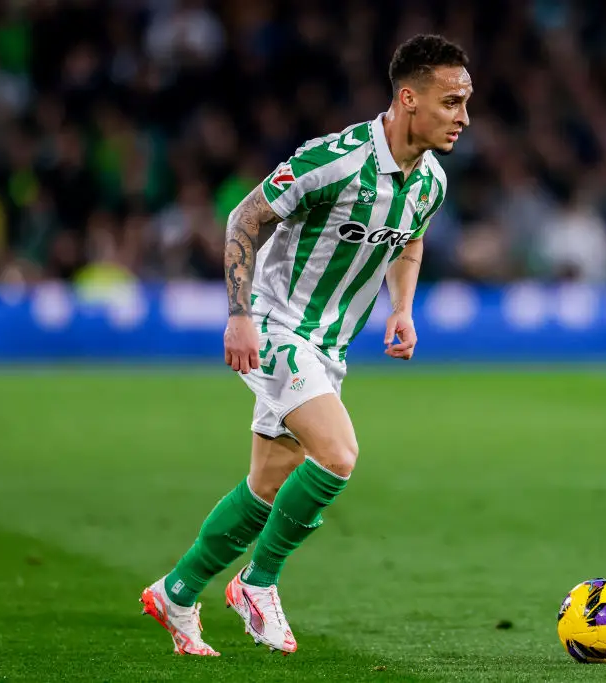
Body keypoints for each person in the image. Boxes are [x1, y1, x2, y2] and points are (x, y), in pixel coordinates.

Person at [139, 34, 472, 656]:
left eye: (464, 102)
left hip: (329, 348)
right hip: (274, 325)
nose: (463, 116)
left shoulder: (430, 182)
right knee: (338, 453)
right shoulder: (335, 159)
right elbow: (245, 219)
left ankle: (175, 594)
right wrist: (238, 314)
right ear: (408, 98)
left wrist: (402, 308)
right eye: (451, 102)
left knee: (267, 489)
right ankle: (256, 584)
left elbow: (409, 243)